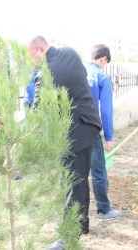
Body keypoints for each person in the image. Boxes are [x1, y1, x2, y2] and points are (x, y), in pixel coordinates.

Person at [27, 36, 102, 240]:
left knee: (72, 182)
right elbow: (80, 78)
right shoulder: (70, 52)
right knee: (79, 179)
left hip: (74, 131)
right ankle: (81, 225)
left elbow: (38, 112)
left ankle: (70, 234)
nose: (31, 62)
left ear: (40, 49)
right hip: (89, 123)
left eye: (31, 56)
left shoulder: (45, 74)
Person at [85, 44, 121, 221]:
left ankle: (74, 214)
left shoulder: (77, 71)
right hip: (90, 130)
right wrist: (108, 137)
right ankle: (103, 211)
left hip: (71, 129)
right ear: (103, 59)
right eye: (105, 63)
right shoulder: (101, 76)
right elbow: (106, 110)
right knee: (98, 171)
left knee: (74, 172)